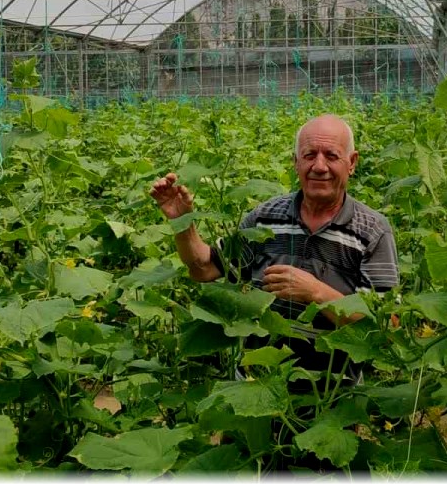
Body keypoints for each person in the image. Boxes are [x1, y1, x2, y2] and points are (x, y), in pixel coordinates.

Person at [149, 114, 399, 385]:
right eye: (309, 155)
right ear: (295, 162)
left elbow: (385, 328)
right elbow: (205, 268)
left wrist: (316, 293)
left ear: (352, 163)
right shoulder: (265, 218)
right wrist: (183, 222)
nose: (319, 166)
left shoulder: (372, 231)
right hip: (256, 386)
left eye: (331, 155)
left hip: (333, 394)